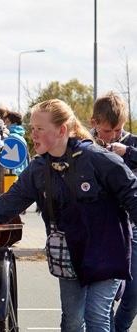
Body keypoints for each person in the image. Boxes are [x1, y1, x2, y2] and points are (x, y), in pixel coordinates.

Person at [0, 99, 137, 332]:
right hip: (69, 256)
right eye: (32, 128)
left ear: (61, 130)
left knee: (96, 317)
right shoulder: (37, 170)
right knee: (72, 321)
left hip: (106, 251)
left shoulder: (98, 159)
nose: (33, 135)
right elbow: (3, 207)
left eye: (39, 129)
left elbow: (132, 193)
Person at [90, 92, 137, 332]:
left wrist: (127, 153)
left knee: (133, 295)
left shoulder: (131, 143)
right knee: (103, 300)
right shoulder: (86, 145)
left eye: (119, 130)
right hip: (100, 230)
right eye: (108, 131)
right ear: (94, 123)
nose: (114, 136)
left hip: (133, 228)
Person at [4, 111, 29, 175]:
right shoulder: (21, 137)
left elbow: (11, 160)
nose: (5, 124)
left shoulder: (11, 137)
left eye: (7, 122)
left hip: (13, 174)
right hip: (22, 173)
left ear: (14, 123)